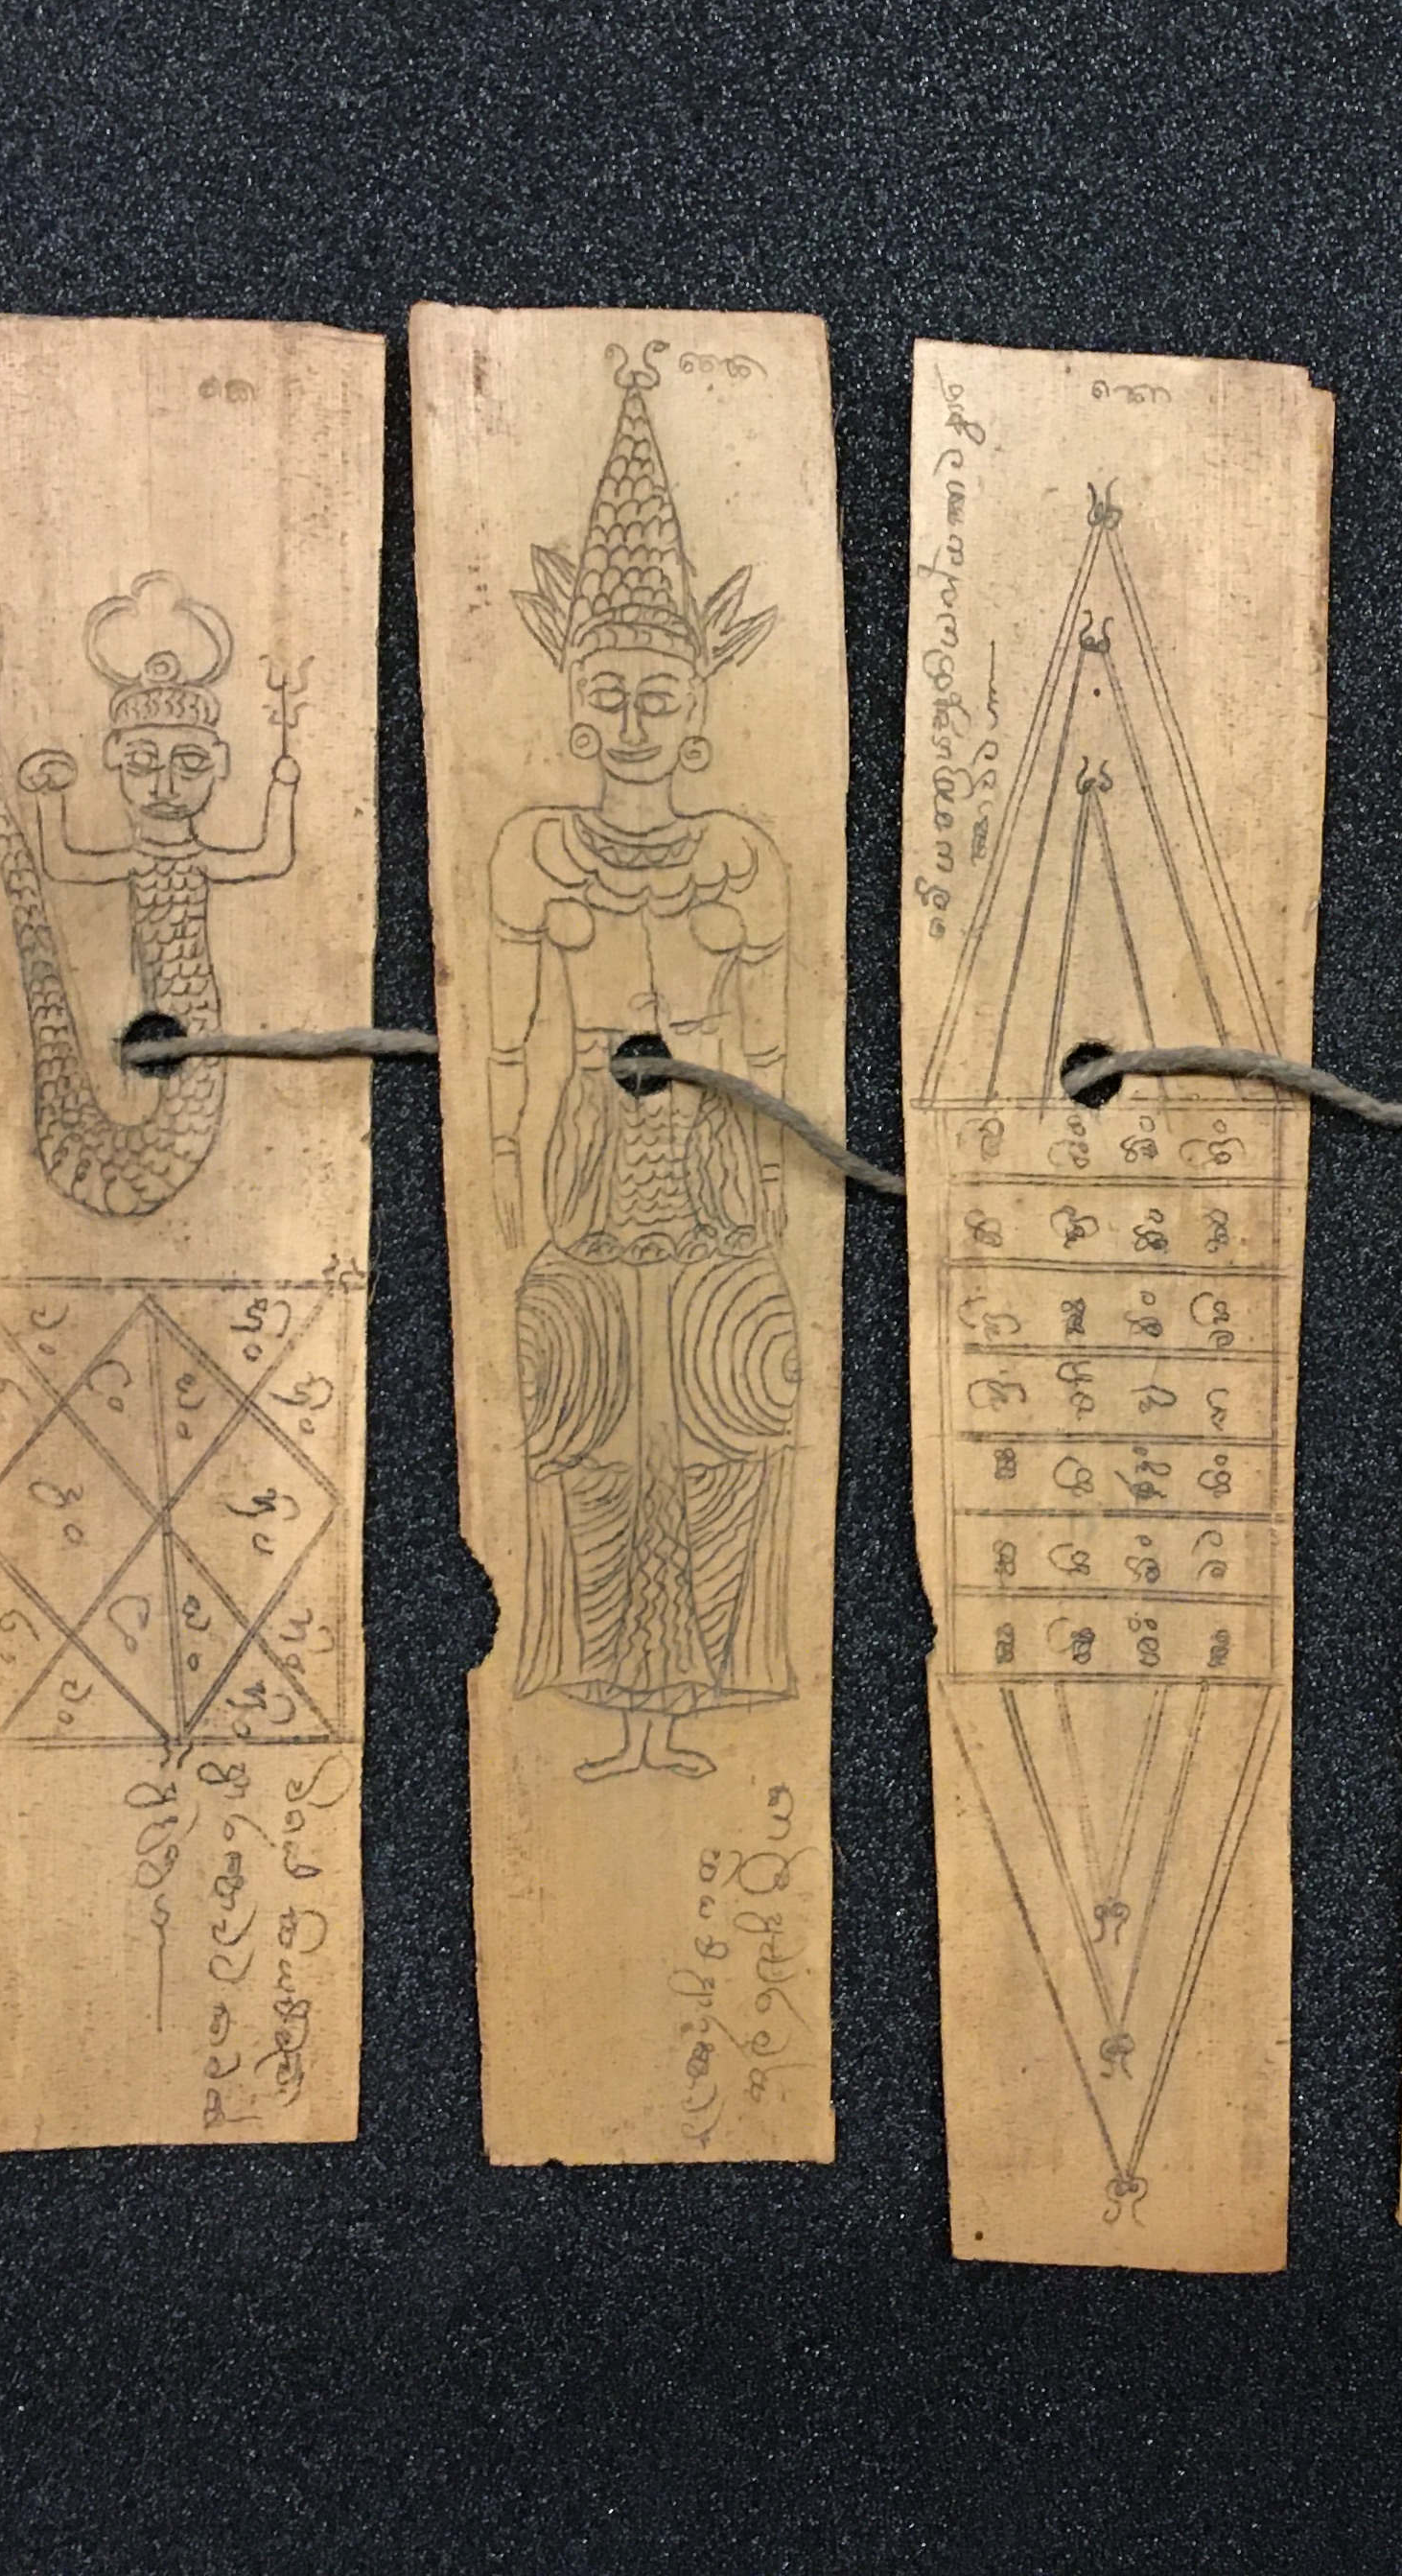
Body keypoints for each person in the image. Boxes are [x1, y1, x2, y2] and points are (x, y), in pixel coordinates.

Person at [491, 353, 801, 1782]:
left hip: (714, 1199)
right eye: (608, 691)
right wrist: (519, 1166)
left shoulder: (741, 854)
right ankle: (614, 1712)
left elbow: (775, 1052)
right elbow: (505, 1045)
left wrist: (761, 1178)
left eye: (656, 691)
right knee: (593, 1447)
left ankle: (691, 1706)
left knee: (727, 1431)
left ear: (698, 707)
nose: (631, 720)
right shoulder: (531, 851)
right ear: (572, 702)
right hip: (589, 1202)